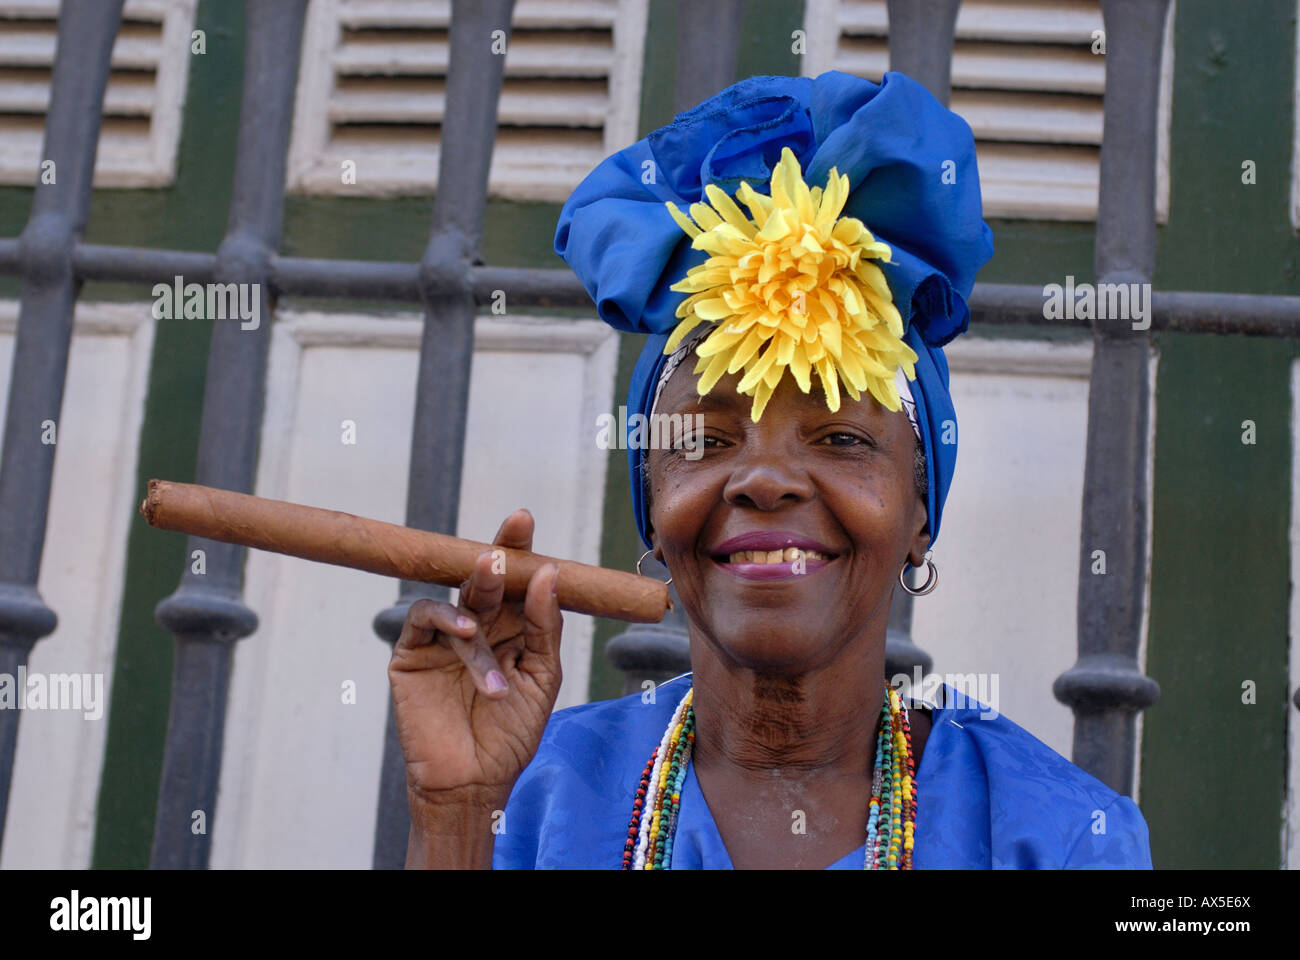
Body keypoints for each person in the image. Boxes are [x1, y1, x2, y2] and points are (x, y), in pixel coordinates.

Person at [391, 70, 1153, 869]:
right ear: (652, 510)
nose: (763, 479)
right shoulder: (534, 798)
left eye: (840, 439)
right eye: (708, 440)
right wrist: (457, 815)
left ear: (920, 515)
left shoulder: (1052, 836)